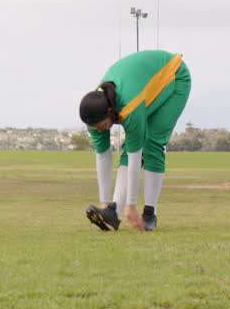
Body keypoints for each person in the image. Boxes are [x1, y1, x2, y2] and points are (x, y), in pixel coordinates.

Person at [78, 50, 191, 232]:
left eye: (101, 126)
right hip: (142, 86)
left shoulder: (130, 107)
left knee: (152, 143)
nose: (99, 130)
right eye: (95, 129)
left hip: (174, 76)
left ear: (110, 112)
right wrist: (104, 203)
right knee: (131, 147)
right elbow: (103, 157)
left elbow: (135, 158)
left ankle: (149, 214)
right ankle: (113, 211)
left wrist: (131, 206)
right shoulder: (94, 113)